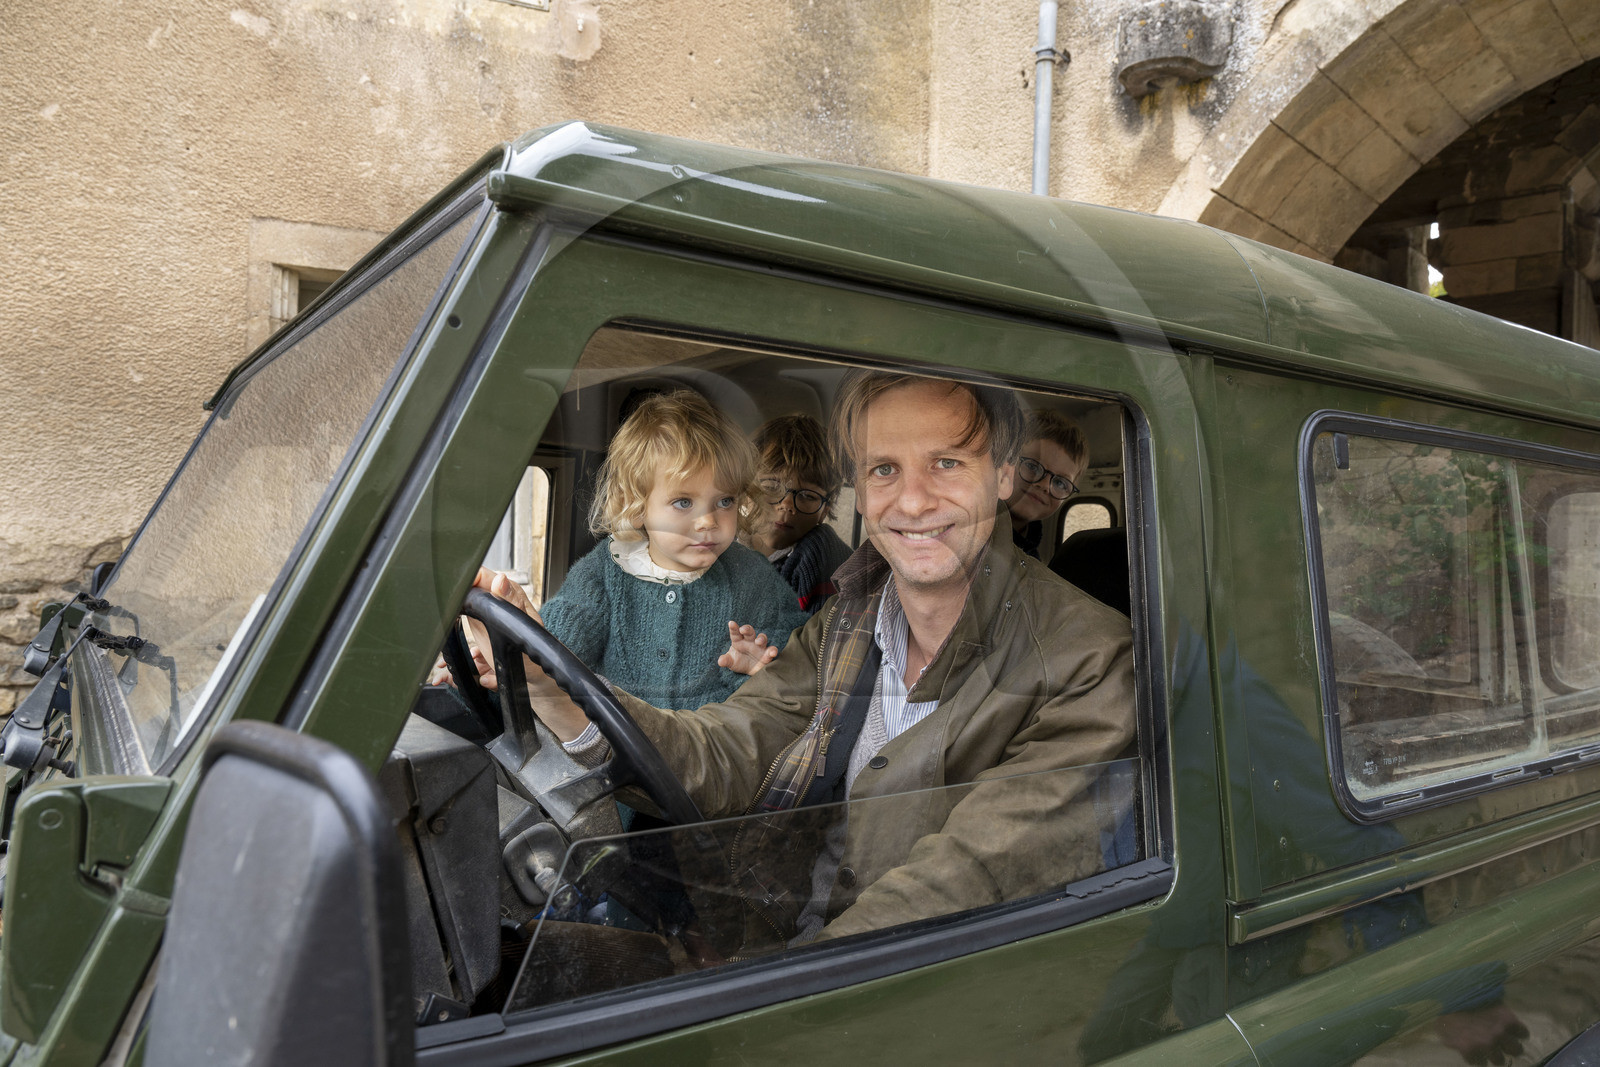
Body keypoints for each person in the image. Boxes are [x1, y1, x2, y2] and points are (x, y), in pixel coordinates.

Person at [474, 371, 1135, 949]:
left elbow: (966, 884)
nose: (910, 501)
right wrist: (558, 687)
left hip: (879, 995)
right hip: (765, 930)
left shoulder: (1088, 660)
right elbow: (727, 746)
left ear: (1005, 475)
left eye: (947, 463)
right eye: (883, 469)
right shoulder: (848, 618)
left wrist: (780, 989)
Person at [533, 390, 809, 710]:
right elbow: (548, 659)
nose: (707, 521)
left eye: (724, 501)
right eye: (682, 502)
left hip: (712, 749)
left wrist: (757, 669)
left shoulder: (754, 579)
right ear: (637, 507)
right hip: (618, 747)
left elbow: (797, 666)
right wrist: (499, 669)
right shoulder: (602, 574)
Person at [747, 413, 853, 614]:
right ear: (745, 491)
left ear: (824, 511)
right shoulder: (717, 547)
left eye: (807, 495)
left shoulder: (819, 559)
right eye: (771, 486)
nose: (787, 505)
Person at [1004, 409, 1088, 559]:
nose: (1044, 485)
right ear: (1005, 461)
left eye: (1061, 483)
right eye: (1032, 466)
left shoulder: (1031, 558)